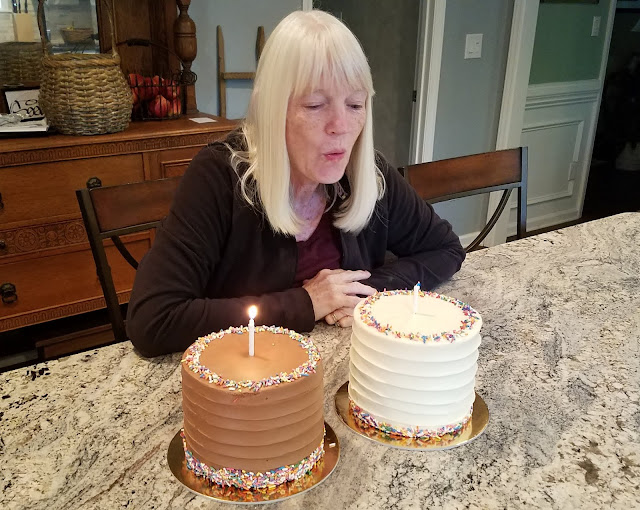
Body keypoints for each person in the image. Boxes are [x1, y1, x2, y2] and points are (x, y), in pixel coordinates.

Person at [126, 10, 465, 357]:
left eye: (355, 104)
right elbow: (153, 320)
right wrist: (306, 303)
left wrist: (364, 290)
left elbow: (446, 249)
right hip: (247, 374)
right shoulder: (218, 175)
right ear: (273, 110)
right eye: (315, 104)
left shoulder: (368, 172)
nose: (341, 126)